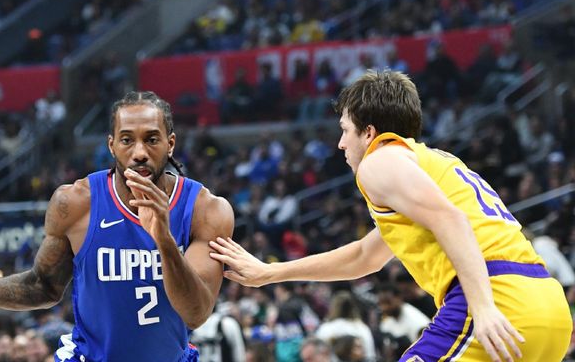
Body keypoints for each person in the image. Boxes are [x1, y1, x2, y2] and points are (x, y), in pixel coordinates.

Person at [210, 70, 572, 362]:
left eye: (345, 131)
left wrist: (484, 309)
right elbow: (365, 256)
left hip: (496, 303)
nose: (340, 145)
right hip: (548, 311)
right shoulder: (433, 166)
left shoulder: (379, 160)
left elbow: (451, 221)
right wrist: (270, 272)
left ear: (370, 133)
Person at [0, 91, 235, 362]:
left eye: (152, 139)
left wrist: (164, 239)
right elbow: (43, 286)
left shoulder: (206, 210)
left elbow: (196, 312)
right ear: (111, 145)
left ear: (170, 143)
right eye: (127, 140)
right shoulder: (75, 203)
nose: (139, 152)